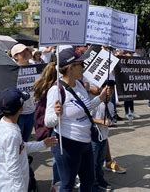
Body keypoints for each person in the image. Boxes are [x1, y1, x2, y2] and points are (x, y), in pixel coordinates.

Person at [45, 48, 110, 192]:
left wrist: (101, 98)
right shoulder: (56, 90)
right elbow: (48, 121)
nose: (83, 67)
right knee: (67, 185)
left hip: (85, 142)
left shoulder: (80, 84)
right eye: (80, 64)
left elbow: (85, 108)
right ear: (70, 67)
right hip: (67, 145)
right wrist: (57, 114)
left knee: (88, 181)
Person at [0, 87, 58, 192]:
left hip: (11, 185)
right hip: (12, 187)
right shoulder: (12, 134)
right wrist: (20, 189)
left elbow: (21, 147)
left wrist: (43, 144)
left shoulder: (5, 123)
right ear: (21, 109)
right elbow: (13, 167)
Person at [91, 80, 115, 191]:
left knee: (100, 161)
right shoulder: (95, 103)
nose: (109, 91)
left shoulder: (110, 104)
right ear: (101, 90)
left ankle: (100, 179)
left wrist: (110, 121)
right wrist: (101, 122)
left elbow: (111, 117)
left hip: (104, 136)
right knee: (93, 162)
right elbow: (88, 117)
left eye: (111, 89)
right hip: (95, 136)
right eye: (107, 89)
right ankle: (93, 183)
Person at [11, 43, 36, 141]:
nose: (26, 52)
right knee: (18, 140)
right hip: (18, 113)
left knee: (25, 139)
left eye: (27, 50)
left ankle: (24, 155)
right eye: (22, 52)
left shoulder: (35, 67)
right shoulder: (12, 70)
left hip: (31, 110)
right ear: (16, 56)